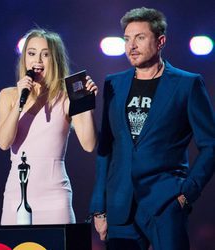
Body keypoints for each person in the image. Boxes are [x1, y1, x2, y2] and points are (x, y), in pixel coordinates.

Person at [89, 7, 215, 250]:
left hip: (166, 203)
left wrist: (187, 193)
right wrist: (99, 207)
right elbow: (106, 147)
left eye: (140, 37)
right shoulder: (113, 84)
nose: (131, 45)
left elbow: (210, 145)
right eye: (127, 38)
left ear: (160, 41)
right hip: (120, 206)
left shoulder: (187, 84)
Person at [0, 28, 98, 225]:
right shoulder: (8, 95)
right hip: (16, 196)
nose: (38, 61)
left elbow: (89, 144)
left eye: (45, 55)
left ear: (55, 59)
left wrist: (88, 106)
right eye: (32, 53)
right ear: (24, 57)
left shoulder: (67, 97)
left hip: (55, 197)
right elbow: (3, 142)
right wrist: (20, 100)